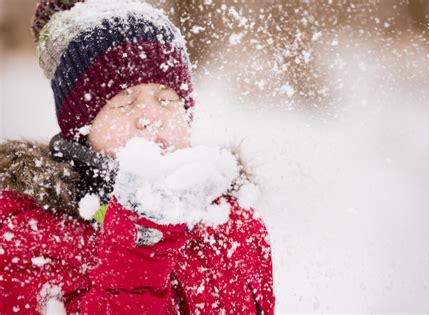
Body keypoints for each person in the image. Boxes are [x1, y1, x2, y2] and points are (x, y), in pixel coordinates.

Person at [0, 0, 275, 313]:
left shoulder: (231, 222)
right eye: (124, 102)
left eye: (166, 99)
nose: (150, 118)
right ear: (81, 128)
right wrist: (140, 244)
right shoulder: (28, 233)